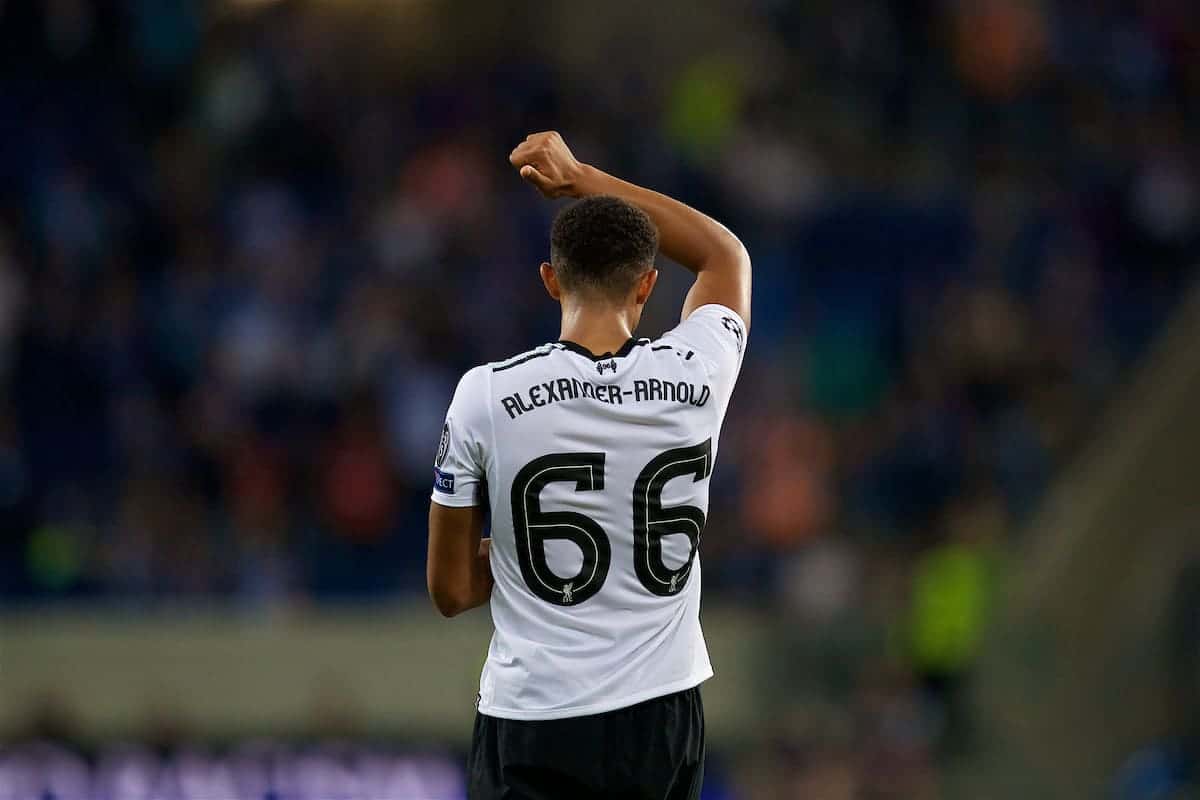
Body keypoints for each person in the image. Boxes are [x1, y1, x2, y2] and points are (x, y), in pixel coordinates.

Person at [426, 131, 751, 800]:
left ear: (550, 280)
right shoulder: (700, 374)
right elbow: (722, 253)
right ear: (649, 284)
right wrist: (580, 177)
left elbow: (451, 590)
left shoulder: (487, 395)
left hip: (533, 718)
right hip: (661, 716)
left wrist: (511, 551)